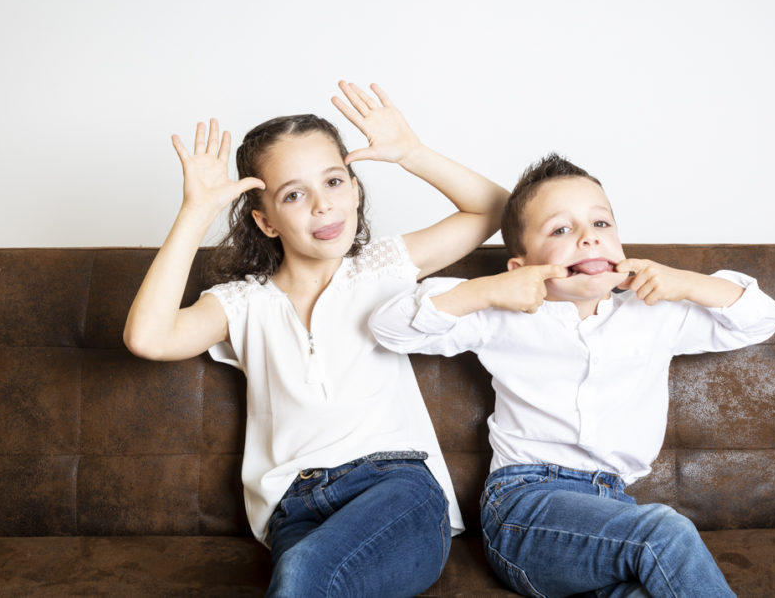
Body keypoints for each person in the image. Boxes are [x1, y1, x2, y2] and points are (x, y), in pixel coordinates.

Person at [123, 81, 509, 597]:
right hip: (295, 506)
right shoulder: (243, 303)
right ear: (266, 221)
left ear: (355, 188)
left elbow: (498, 210)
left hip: (397, 486)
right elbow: (148, 337)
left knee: (308, 574)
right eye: (295, 195)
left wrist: (411, 153)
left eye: (334, 182)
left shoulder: (381, 268)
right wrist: (196, 212)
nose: (323, 207)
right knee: (305, 567)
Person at [368, 153, 775, 597]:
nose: (589, 239)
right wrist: (489, 290)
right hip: (525, 507)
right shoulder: (503, 314)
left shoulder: (655, 314)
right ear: (521, 266)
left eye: (601, 224)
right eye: (561, 230)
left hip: (610, 511)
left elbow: (762, 318)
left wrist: (685, 283)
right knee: (665, 532)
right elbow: (389, 327)